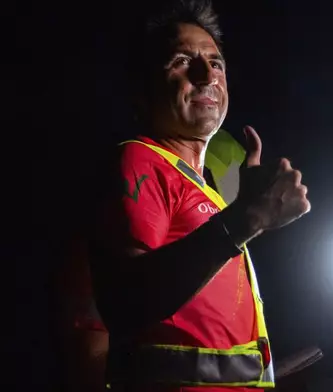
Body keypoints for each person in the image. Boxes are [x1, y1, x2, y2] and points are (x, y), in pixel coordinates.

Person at [59, 0, 311, 391]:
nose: (206, 73)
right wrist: (248, 218)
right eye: (181, 61)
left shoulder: (204, 190)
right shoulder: (138, 160)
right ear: (142, 93)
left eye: (216, 63)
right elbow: (125, 302)